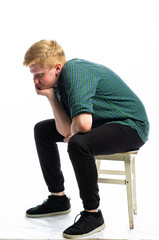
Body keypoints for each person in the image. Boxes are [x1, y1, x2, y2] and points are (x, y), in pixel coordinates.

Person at [23, 40, 149, 238]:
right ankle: (58, 199)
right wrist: (51, 97)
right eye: (33, 76)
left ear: (57, 68)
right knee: (42, 130)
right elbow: (67, 129)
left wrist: (73, 134)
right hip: (104, 122)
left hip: (131, 125)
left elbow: (82, 126)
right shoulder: (59, 84)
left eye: (39, 75)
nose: (36, 81)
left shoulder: (74, 72)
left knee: (79, 144)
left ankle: (93, 215)